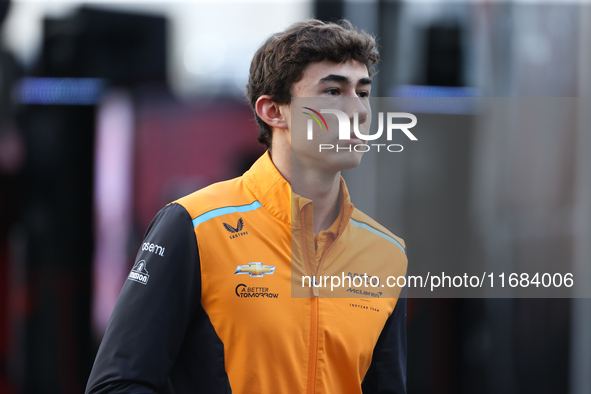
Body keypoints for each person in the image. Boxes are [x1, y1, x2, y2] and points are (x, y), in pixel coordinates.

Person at [86, 19, 408, 394]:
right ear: (273, 112)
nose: (357, 111)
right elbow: (117, 384)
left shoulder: (386, 253)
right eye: (333, 91)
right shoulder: (194, 226)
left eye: (364, 92)